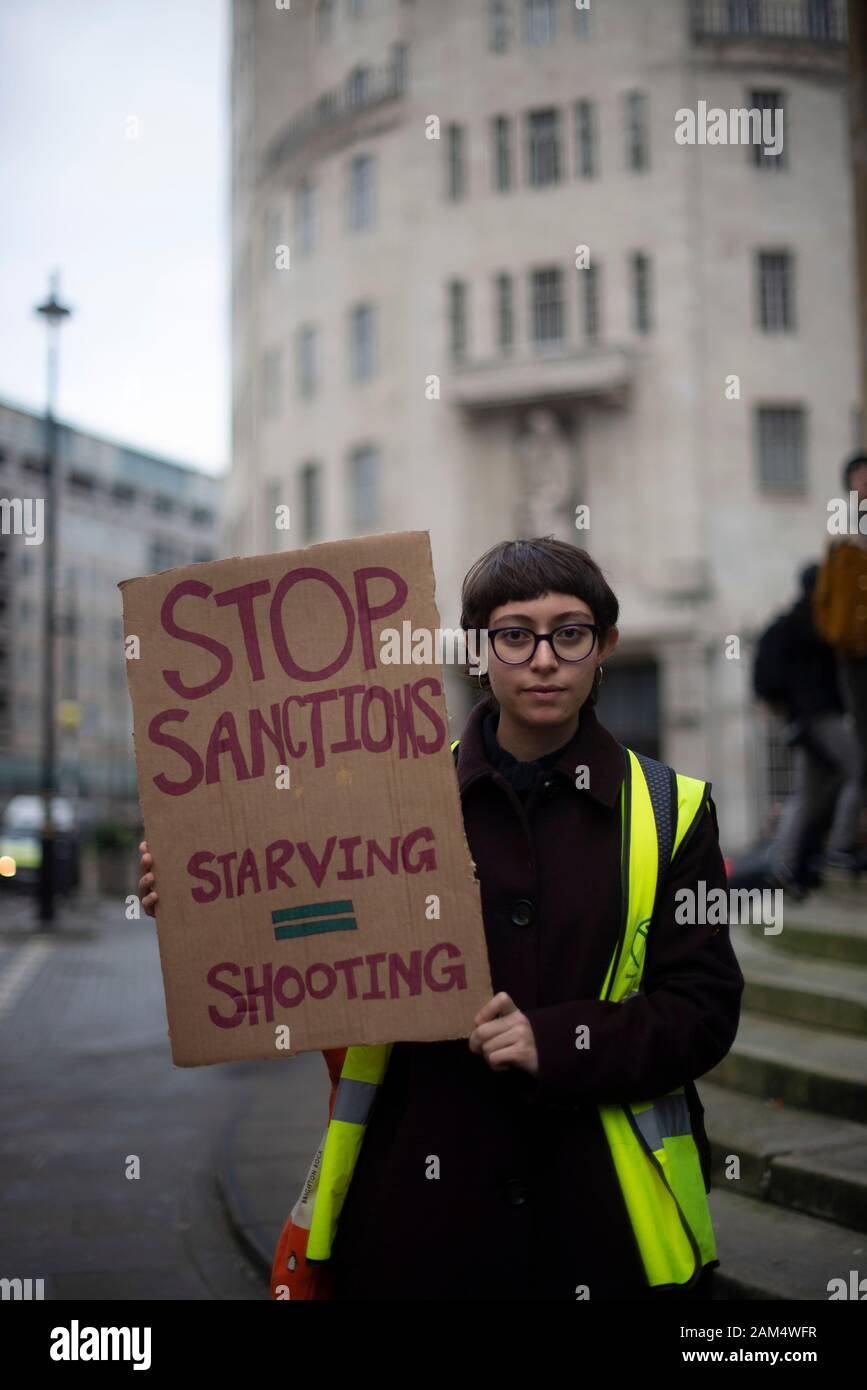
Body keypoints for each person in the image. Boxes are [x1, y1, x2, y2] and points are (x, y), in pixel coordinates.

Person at [139, 537, 745, 1301]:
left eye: (570, 632)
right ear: (473, 650)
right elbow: (308, 947)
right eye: (514, 634)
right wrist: (209, 906)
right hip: (417, 1213)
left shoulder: (673, 810)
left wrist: (555, 1040)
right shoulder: (391, 802)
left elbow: (701, 1010)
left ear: (605, 647)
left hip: (602, 1219)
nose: (543, 658)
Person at [752, 563, 865, 889]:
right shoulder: (814, 623)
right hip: (819, 716)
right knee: (857, 769)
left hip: (803, 720)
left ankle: (782, 867)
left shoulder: (790, 624)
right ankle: (840, 848)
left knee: (807, 795)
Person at [812, 452, 867, 802]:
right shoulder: (840, 535)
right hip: (854, 651)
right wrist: (835, 633)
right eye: (859, 477)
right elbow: (826, 596)